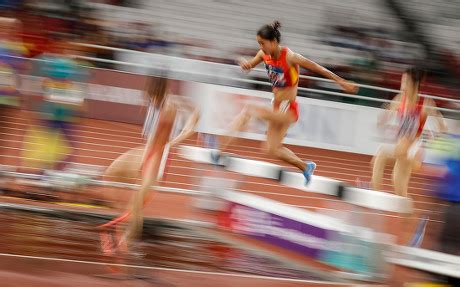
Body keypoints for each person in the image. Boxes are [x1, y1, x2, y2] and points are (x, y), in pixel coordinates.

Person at [216, 21, 358, 184]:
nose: (261, 47)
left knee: (249, 109)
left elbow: (319, 68)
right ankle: (305, 166)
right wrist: (244, 63)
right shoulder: (264, 55)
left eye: (263, 43)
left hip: (288, 108)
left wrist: (341, 82)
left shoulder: (290, 56)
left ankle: (219, 147)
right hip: (276, 105)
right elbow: (249, 66)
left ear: (274, 42)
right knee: (271, 149)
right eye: (258, 43)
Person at [101, 75, 199, 254]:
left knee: (136, 203)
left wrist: (183, 135)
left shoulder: (170, 106)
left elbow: (196, 111)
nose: (150, 99)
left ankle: (127, 242)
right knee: (111, 173)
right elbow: (194, 111)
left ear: (158, 91)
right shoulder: (161, 102)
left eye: (151, 95)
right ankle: (123, 226)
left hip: (156, 157)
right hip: (146, 151)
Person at [371, 67, 446, 198]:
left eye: (405, 82)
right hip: (402, 150)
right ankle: (413, 217)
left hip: (412, 153)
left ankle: (374, 196)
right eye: (402, 81)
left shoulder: (426, 103)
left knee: (381, 155)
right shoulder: (400, 99)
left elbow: (442, 127)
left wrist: (428, 140)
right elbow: (383, 120)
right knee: (400, 191)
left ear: (414, 84)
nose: (402, 86)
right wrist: (382, 119)